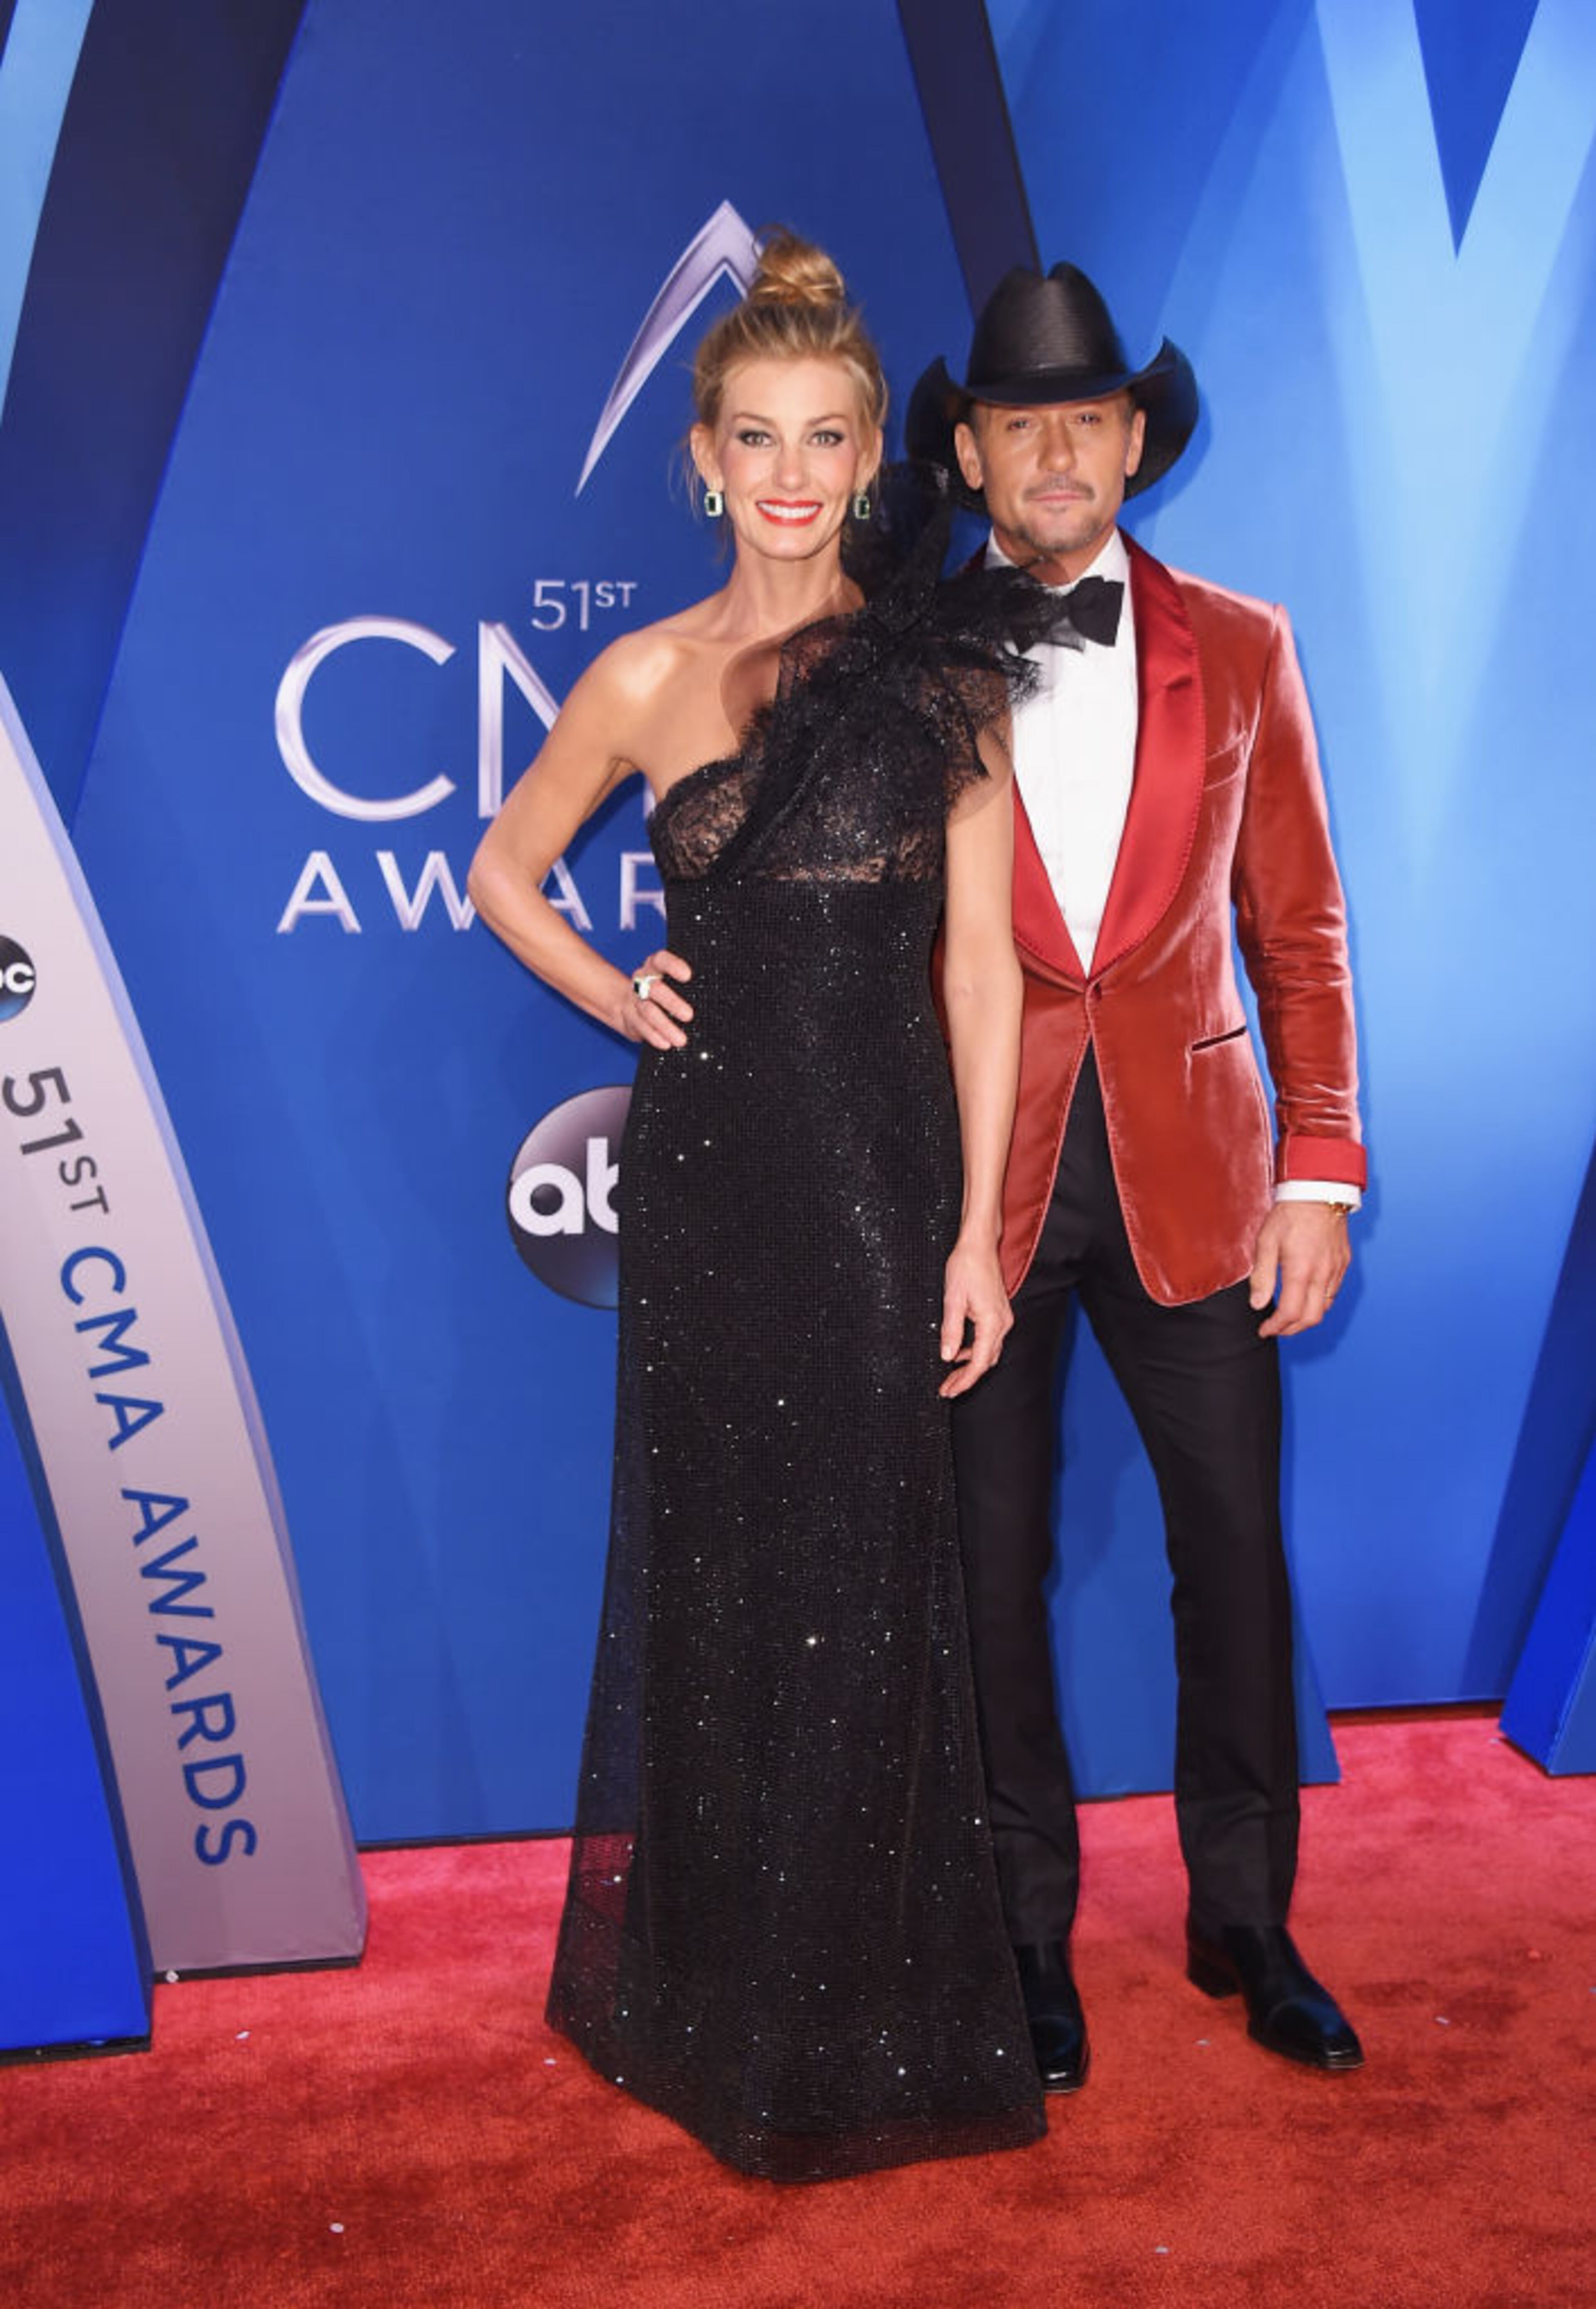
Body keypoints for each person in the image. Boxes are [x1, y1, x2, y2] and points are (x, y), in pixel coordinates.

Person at [469, 234, 1067, 2181]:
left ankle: (863, 2010)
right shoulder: (644, 675)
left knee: (870, 1594)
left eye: (826, 437)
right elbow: (503, 871)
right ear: (705, 459)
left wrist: (975, 1234)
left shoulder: (942, 673)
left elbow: (981, 973)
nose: (791, 474)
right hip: (712, 1184)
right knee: (719, 1584)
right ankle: (714, 1992)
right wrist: (613, 989)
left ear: (876, 454)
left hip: (882, 1186)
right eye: (756, 437)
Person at [906, 262, 1367, 2095]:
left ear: (1132, 443)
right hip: (983, 1191)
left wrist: (1320, 1169)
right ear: (969, 454)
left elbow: (1300, 925)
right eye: (1021, 425)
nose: (1056, 454)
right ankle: (1022, 1935)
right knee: (987, 1566)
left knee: (1234, 1557)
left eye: (1086, 421)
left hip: (1203, 1177)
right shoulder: (907, 653)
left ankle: (1246, 1917)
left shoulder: (1242, 644)